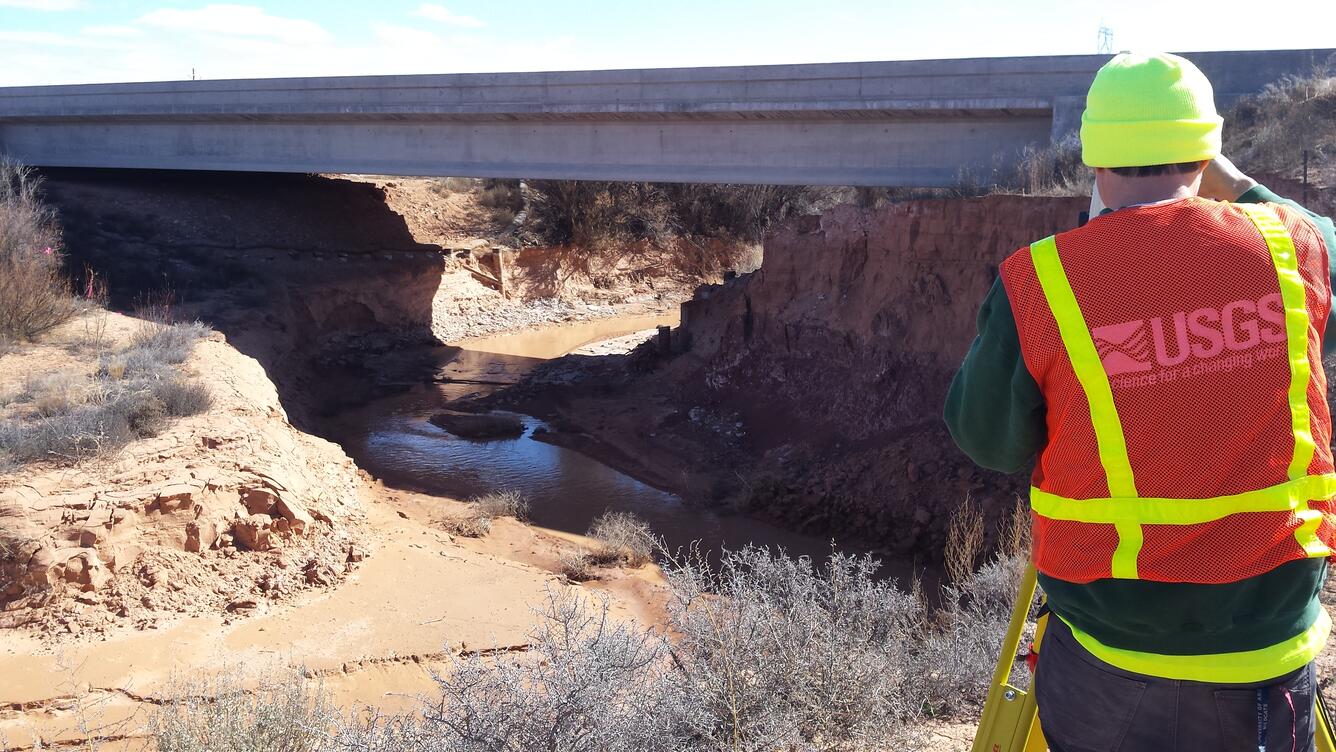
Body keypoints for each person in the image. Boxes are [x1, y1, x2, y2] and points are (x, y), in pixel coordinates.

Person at [945, 52, 1336, 751]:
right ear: (1205, 149)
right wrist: (1234, 181)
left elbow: (987, 438)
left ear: (1095, 156)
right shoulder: (1293, 250)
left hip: (1109, 648)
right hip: (1265, 646)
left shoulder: (1043, 281)